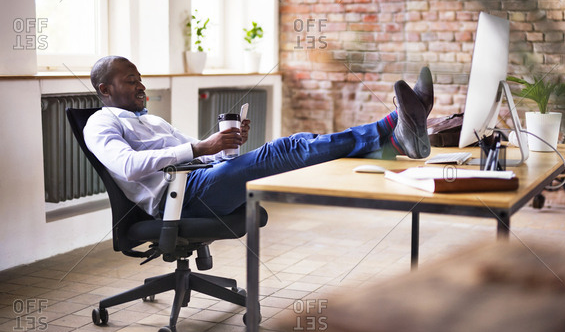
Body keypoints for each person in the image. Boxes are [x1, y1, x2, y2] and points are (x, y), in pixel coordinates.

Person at [84, 56, 434, 219]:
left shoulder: (154, 121)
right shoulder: (100, 124)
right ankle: (392, 125)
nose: (141, 85)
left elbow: (203, 156)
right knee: (289, 147)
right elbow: (128, 167)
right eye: (131, 80)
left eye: (139, 77)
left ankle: (395, 143)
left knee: (296, 153)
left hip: (200, 181)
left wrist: (225, 145)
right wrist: (200, 146)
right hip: (178, 199)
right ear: (105, 89)